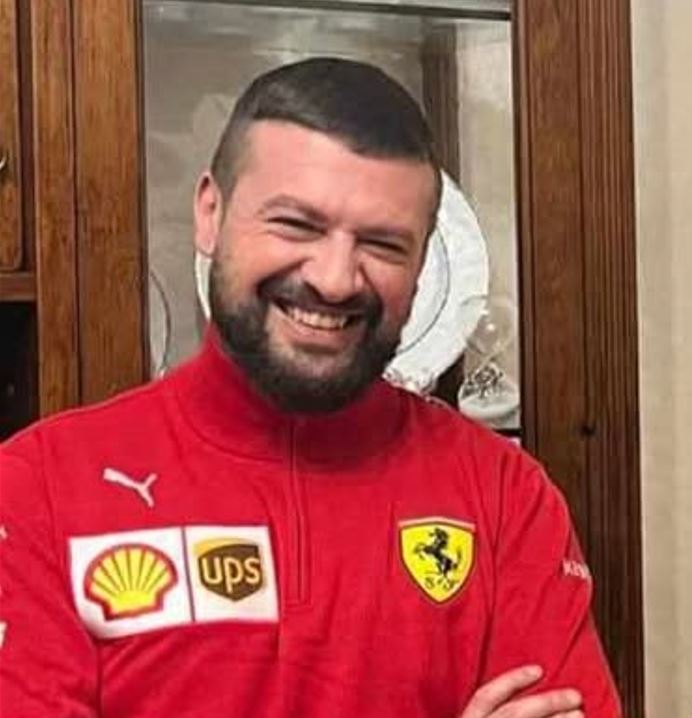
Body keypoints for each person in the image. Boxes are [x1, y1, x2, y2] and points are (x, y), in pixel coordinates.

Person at [0, 58, 621, 718]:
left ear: (422, 264)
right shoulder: (38, 489)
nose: (334, 279)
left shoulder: (505, 497)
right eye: (296, 225)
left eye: (383, 244)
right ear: (210, 212)